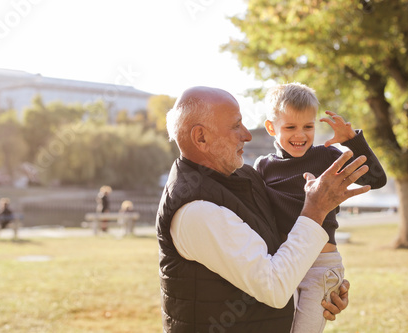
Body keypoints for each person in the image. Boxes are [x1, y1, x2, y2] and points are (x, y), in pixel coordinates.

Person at [156, 86, 371, 332]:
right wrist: (316, 209)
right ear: (201, 137)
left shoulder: (244, 177)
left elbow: (279, 252)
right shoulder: (196, 211)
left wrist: (321, 289)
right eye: (236, 126)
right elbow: (274, 287)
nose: (247, 135)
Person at [254, 82, 387, 332]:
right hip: (283, 264)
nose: (300, 135)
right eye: (290, 127)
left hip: (321, 266)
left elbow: (376, 179)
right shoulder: (263, 167)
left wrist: (353, 142)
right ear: (271, 128)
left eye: (308, 126)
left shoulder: (327, 157)